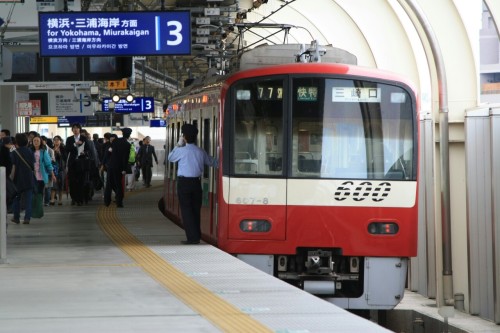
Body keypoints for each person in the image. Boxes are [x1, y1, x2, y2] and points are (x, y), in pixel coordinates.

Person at [167, 124, 217, 244]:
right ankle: (196, 235)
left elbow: (170, 158)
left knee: (186, 210)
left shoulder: (181, 151)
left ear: (184, 137)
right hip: (196, 183)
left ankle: (192, 238)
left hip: (184, 183)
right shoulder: (200, 151)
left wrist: (178, 144)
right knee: (195, 210)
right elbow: (213, 162)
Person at [10, 133, 35, 224]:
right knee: (28, 199)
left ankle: (16, 217)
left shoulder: (14, 152)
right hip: (28, 177)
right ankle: (27, 218)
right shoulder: (30, 151)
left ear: (17, 142)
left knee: (16, 198)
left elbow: (12, 165)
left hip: (17, 179)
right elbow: (33, 163)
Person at [103, 128, 131, 208]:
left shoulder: (115, 141)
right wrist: (124, 169)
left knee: (109, 184)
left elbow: (109, 152)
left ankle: (107, 201)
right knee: (118, 184)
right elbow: (125, 158)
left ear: (122, 134)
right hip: (119, 167)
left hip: (111, 166)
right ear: (129, 135)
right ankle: (119, 202)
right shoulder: (127, 145)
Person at [65, 123, 90, 206]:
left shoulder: (84, 138)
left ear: (80, 129)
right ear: (72, 130)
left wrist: (84, 152)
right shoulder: (69, 139)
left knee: (81, 181)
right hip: (72, 162)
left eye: (77, 128)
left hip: (81, 162)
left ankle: (80, 199)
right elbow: (67, 149)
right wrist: (75, 144)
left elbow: (88, 149)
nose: (75, 130)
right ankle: (74, 198)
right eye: (74, 128)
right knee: (72, 181)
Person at [31, 135, 56, 209]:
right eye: (34, 141)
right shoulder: (30, 151)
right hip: (32, 174)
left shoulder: (43, 152)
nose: (36, 142)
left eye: (37, 141)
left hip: (41, 175)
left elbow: (48, 164)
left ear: (40, 142)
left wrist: (52, 174)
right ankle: (34, 203)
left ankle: (39, 204)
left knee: (40, 191)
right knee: (33, 190)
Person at [50, 135, 67, 205]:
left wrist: (59, 153)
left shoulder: (63, 149)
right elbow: (49, 159)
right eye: (55, 140)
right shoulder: (51, 149)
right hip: (53, 169)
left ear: (60, 141)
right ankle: (52, 199)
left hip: (61, 169)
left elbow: (65, 159)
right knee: (53, 184)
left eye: (58, 140)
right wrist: (53, 153)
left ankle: (60, 200)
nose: (56, 141)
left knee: (61, 184)